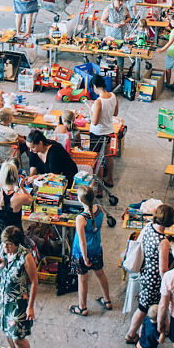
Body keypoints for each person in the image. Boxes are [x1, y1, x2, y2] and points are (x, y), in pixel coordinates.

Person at [124, 204, 174, 344]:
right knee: (144, 308)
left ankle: (163, 328)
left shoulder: (148, 227)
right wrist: (169, 283)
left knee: (150, 305)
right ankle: (131, 334)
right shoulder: (163, 242)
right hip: (154, 280)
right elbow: (163, 269)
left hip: (145, 272)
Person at [0, 226, 38, 348]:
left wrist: (31, 307)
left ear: (17, 244)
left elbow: (34, 282)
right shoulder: (3, 249)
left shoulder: (26, 257)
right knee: (6, 331)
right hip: (2, 300)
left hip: (17, 304)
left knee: (18, 338)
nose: (5, 248)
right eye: (4, 244)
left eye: (9, 245)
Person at [70, 187, 112, 316]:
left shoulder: (81, 218)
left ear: (80, 199)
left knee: (82, 278)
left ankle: (82, 307)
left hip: (82, 253)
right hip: (96, 248)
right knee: (100, 273)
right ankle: (107, 300)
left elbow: (82, 241)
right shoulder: (99, 210)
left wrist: (84, 257)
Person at [0, 160, 31, 247]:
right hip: (14, 234)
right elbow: (30, 200)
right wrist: (22, 187)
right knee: (15, 257)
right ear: (15, 176)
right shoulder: (20, 197)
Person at [89, 83, 118, 187]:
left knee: (96, 159)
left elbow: (94, 122)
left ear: (95, 86)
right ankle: (110, 179)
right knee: (108, 156)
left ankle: (99, 186)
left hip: (98, 133)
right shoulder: (113, 96)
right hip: (109, 131)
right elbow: (115, 113)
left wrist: (90, 108)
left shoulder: (98, 101)